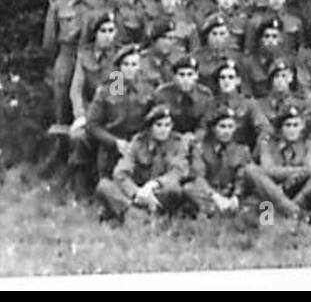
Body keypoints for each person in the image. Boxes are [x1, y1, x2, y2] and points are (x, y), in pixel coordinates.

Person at [73, 45, 157, 188]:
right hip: (112, 143)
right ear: (119, 67)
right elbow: (92, 125)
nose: (130, 69)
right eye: (126, 64)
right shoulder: (108, 89)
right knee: (107, 184)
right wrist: (115, 142)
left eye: (134, 64)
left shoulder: (148, 89)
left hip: (139, 142)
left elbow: (155, 119)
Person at [95, 104, 189, 223]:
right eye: (158, 125)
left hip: (159, 193)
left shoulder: (178, 143)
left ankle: (130, 213)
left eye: (167, 125)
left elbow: (178, 172)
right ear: (150, 127)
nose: (163, 129)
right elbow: (121, 173)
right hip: (136, 193)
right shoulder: (137, 142)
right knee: (104, 186)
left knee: (175, 190)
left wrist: (153, 185)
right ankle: (134, 213)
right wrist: (137, 192)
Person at [41, 0, 100, 131]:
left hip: (90, 54)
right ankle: (61, 138)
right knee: (62, 92)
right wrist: (54, 60)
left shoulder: (98, 6)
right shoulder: (59, 5)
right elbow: (50, 40)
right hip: (67, 54)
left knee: (92, 95)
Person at [250, 107, 311, 219]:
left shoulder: (309, 142)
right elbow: (268, 169)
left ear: (301, 127)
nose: (292, 129)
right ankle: (292, 210)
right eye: (288, 125)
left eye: (295, 125)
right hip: (275, 189)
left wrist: (292, 180)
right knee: (251, 170)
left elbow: (310, 168)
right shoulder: (268, 142)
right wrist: (295, 173)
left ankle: (295, 205)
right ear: (280, 129)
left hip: (301, 189)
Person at [182, 106, 258, 219]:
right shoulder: (201, 148)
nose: (226, 131)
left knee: (260, 198)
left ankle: (265, 220)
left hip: (231, 193)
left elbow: (241, 177)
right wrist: (215, 196)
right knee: (189, 188)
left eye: (230, 127)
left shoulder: (242, 149)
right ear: (214, 129)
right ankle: (215, 211)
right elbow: (198, 176)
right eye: (222, 127)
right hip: (209, 193)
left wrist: (235, 196)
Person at [141, 0, 198, 86]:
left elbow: (194, 51)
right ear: (159, 1)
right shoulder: (150, 24)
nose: (169, 2)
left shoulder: (188, 25)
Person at [208, 58, 270, 150]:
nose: (226, 81)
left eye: (231, 77)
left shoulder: (249, 103)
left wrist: (257, 150)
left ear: (238, 80)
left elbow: (263, 127)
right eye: (222, 77)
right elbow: (203, 127)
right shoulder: (212, 104)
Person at [151, 55, 213, 138]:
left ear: (196, 75)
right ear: (175, 77)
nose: (186, 79)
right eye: (182, 75)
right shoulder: (162, 94)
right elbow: (156, 122)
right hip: (169, 137)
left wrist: (195, 136)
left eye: (190, 74)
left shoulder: (205, 96)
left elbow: (205, 123)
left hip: (195, 139)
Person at [254, 59, 311, 125]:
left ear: (291, 77)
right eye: (276, 76)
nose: (280, 80)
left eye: (284, 76)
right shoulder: (262, 102)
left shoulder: (301, 101)